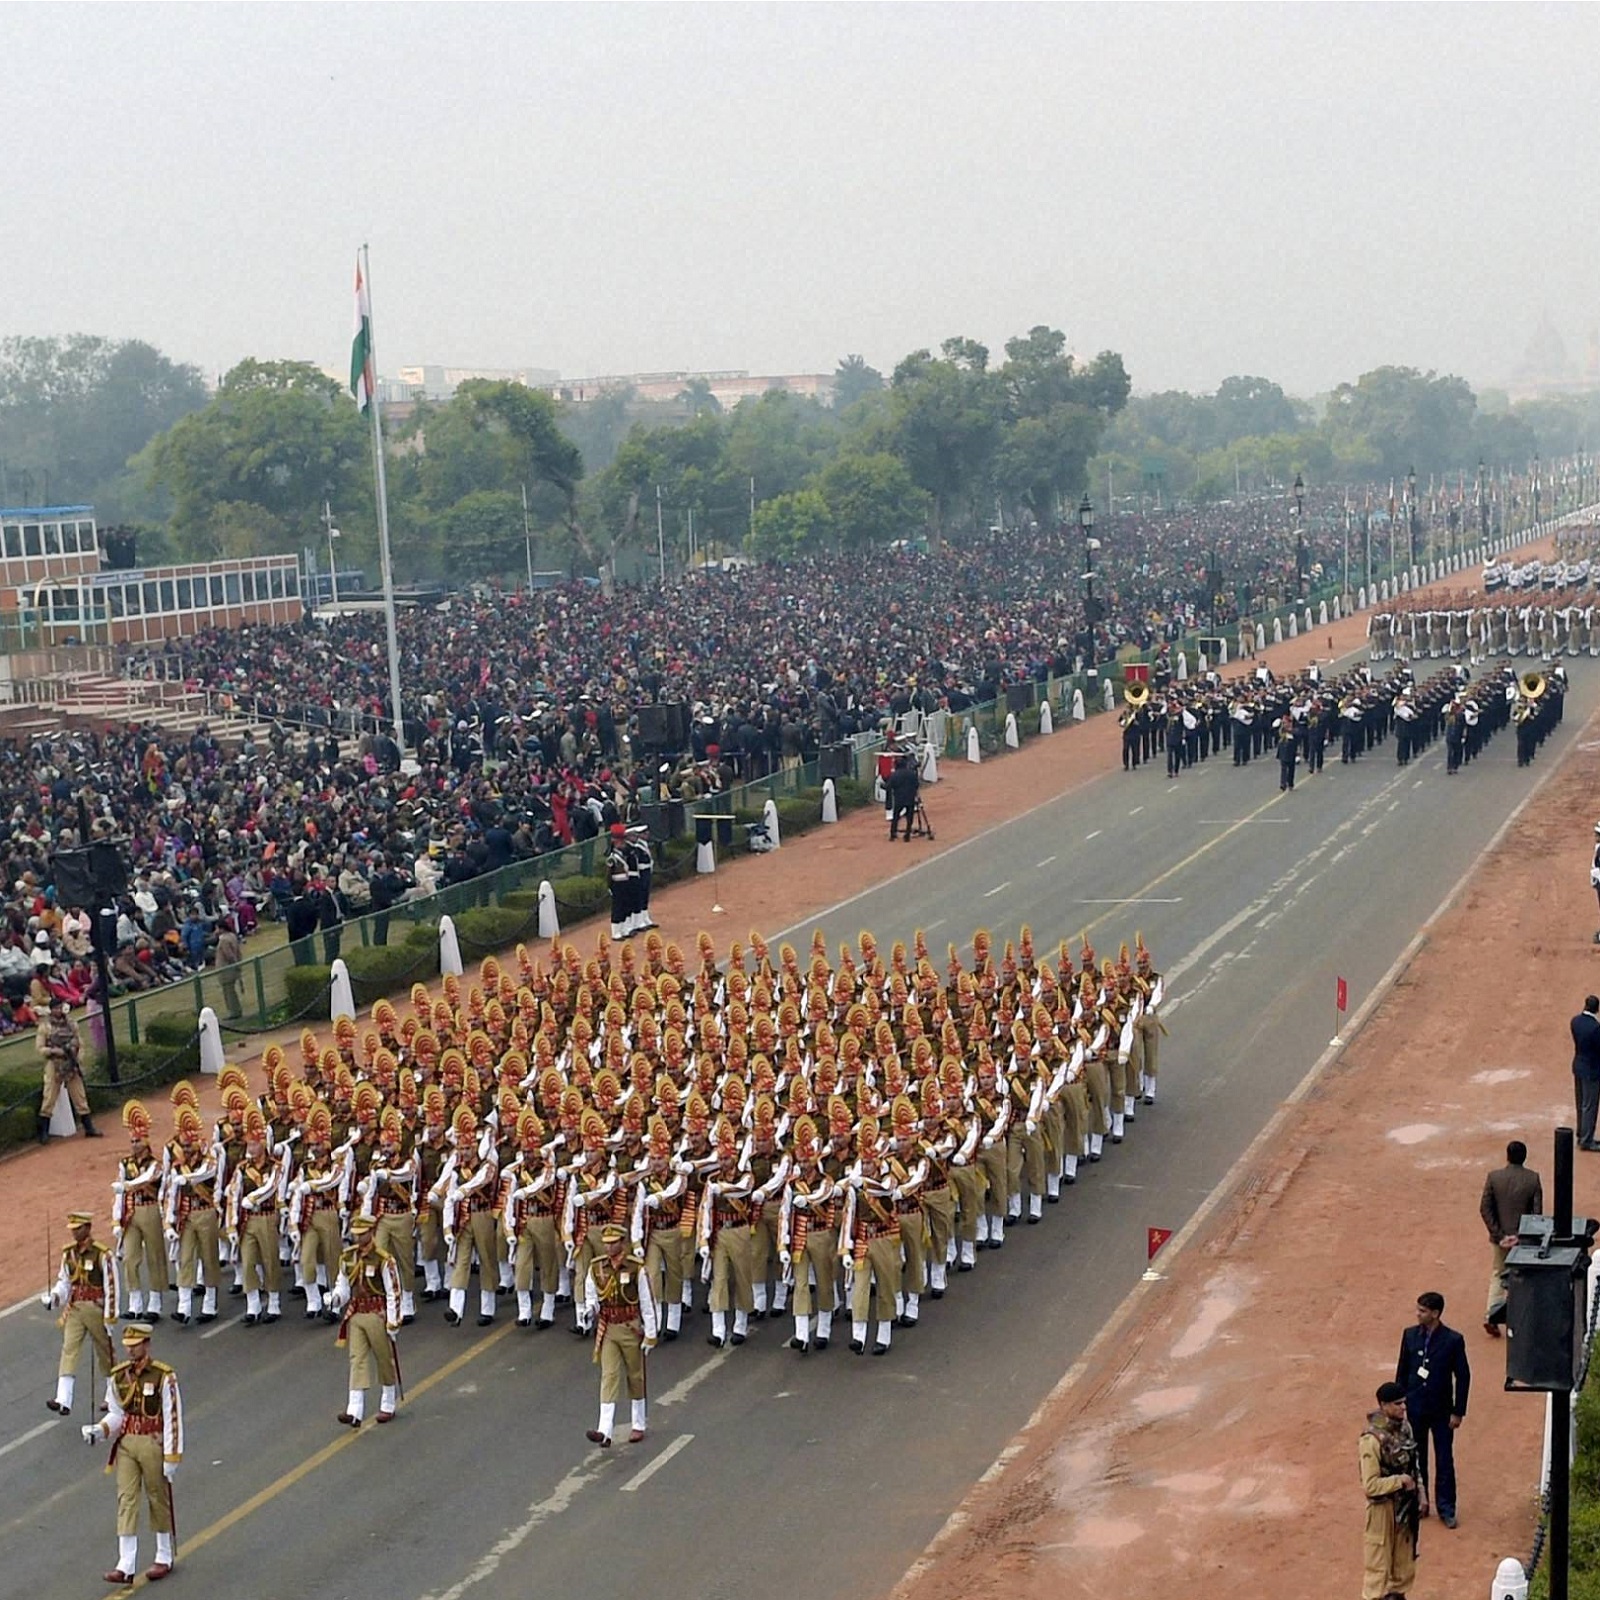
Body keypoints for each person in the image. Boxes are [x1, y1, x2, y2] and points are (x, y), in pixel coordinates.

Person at [80, 1321, 184, 1585]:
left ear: (146, 1345)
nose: (130, 1351)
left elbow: (173, 1418)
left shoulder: (163, 1376)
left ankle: (163, 1555)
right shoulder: (118, 1376)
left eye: (135, 1346)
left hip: (152, 1440)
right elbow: (117, 1413)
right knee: (126, 1499)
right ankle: (125, 1564)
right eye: (127, 1346)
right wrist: (100, 1430)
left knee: (156, 1497)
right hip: (127, 1443)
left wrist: (172, 1456)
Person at [1394, 1291, 1470, 1528]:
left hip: (1442, 1411)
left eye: (1423, 1311)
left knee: (1444, 1459)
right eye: (1418, 1310)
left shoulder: (1453, 1340)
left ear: (1435, 1314)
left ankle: (1446, 1508)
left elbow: (1463, 1376)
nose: (1418, 1314)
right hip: (1416, 1408)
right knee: (1416, 1457)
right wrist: (1399, 1403)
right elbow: (1403, 1370)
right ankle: (1419, 1503)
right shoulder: (1409, 1336)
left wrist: (1458, 1411)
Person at [582, 1221, 657, 1447]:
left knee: (635, 1376)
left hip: (630, 1326)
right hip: (609, 1327)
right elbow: (591, 1295)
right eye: (606, 1243)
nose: (608, 1248)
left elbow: (647, 1302)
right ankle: (604, 1430)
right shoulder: (597, 1267)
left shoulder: (635, 1268)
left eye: (613, 1243)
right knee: (609, 1375)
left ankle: (638, 1423)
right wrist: (589, 1310)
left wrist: (651, 1334)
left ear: (622, 1244)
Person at [328, 1213, 402, 1429]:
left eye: (363, 1234)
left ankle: (388, 1402)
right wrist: (335, 1299)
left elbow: (393, 1292)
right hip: (357, 1313)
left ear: (371, 1232)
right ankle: (354, 1410)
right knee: (357, 1359)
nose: (358, 1239)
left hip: (377, 1313)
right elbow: (343, 1286)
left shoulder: (383, 1259)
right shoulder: (348, 1257)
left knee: (383, 1359)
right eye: (356, 1235)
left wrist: (393, 1322)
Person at [46, 1208, 119, 1417]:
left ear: (88, 1228)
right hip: (76, 1307)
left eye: (78, 1229)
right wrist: (54, 1297)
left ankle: (111, 1396)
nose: (74, 1233)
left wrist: (111, 1315)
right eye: (73, 1229)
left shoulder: (102, 1254)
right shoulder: (69, 1253)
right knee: (69, 1349)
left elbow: (112, 1286)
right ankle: (63, 1399)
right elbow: (65, 1281)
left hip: (96, 1307)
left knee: (105, 1353)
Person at [1360, 1380, 1419, 1600]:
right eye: (1397, 1404)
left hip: (1404, 1508)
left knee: (1403, 1564)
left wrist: (1419, 1492)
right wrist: (1399, 1481)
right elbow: (1370, 1485)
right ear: (1384, 1405)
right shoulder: (1371, 1439)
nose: (1404, 1407)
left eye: (1404, 1402)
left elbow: (1415, 1463)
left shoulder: (1405, 1428)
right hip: (1381, 1511)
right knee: (1378, 1567)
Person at [1480, 1140, 1542, 1335]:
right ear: (1525, 1157)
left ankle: (1492, 1313)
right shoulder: (1532, 1179)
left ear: (1507, 1156)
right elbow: (1536, 1215)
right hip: (1523, 1241)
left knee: (1498, 1273)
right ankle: (1521, 1320)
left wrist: (1499, 1236)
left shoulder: (1494, 1177)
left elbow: (1485, 1209)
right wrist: (1521, 1237)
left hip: (1501, 1239)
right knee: (1524, 1277)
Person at [37, 993, 100, 1143]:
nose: (59, 1011)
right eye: (56, 1008)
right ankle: (43, 1133)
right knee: (49, 1098)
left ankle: (88, 1127)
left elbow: (80, 1042)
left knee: (80, 1097)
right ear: (51, 1010)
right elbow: (40, 1048)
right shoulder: (45, 1027)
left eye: (60, 1008)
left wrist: (77, 1058)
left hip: (71, 1064)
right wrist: (53, 1051)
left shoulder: (72, 1024)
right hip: (55, 1065)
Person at [1571, 995, 1600, 1150]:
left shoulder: (1575, 1021)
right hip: (1592, 1070)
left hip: (1578, 1066)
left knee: (1581, 1103)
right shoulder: (1595, 1028)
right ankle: (1586, 1140)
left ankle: (1581, 1134)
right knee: (1589, 1105)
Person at [887, 753, 919, 841]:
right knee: (909, 816)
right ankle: (907, 834)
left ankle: (893, 834)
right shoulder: (911, 774)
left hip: (899, 798)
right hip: (910, 797)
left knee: (896, 816)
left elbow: (889, 786)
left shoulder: (895, 775)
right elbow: (916, 785)